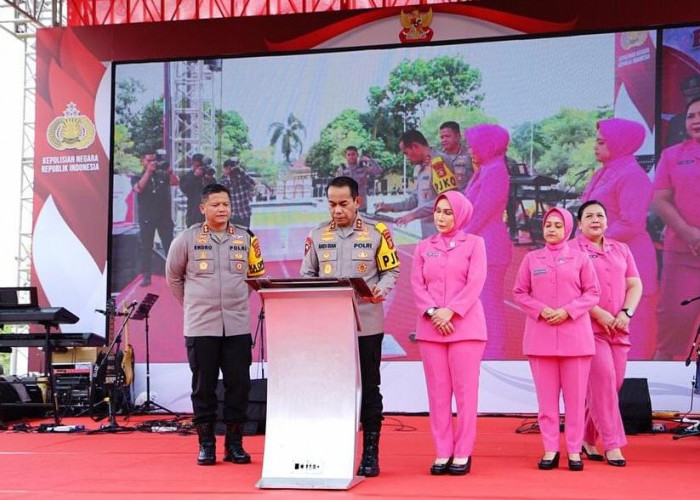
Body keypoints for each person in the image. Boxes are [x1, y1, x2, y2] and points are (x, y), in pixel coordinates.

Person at [300, 176, 400, 477]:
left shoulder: (377, 233)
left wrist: (382, 288)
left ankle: (370, 453)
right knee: (330, 390)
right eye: (332, 204)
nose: (337, 210)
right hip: (329, 328)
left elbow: (390, 270)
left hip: (366, 325)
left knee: (369, 388)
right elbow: (306, 273)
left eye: (343, 204)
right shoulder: (317, 235)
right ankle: (332, 451)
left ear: (357, 202)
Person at [165, 183, 266, 466]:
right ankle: (206, 444)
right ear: (203, 208)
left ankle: (234, 444)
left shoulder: (246, 238)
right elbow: (174, 278)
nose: (222, 209)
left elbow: (256, 276)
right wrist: (193, 305)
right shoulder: (186, 239)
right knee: (204, 388)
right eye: (215, 205)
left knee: (239, 386)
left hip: (236, 327)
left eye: (226, 204)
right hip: (201, 327)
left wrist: (234, 302)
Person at [513, 207, 600, 471]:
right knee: (547, 402)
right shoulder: (532, 259)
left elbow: (592, 293)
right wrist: (541, 309)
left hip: (575, 340)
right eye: (547, 225)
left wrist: (567, 311)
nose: (551, 229)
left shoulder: (580, 258)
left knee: (575, 402)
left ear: (568, 229)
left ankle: (574, 451)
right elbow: (519, 292)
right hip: (541, 339)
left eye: (557, 225)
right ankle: (550, 449)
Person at [410, 190, 487, 476]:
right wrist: (433, 313)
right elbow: (417, 285)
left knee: (466, 394)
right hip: (431, 330)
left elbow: (475, 282)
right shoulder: (423, 247)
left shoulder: (475, 244)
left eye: (448, 212)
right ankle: (443, 451)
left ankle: (463, 452)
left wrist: (450, 311)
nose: (441, 217)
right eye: (438, 211)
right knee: (438, 395)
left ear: (461, 214)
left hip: (466, 329)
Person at [570, 200, 642, 467]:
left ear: (607, 221)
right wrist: (600, 314)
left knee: (613, 385)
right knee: (605, 381)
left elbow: (634, 284)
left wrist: (625, 314)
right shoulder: (572, 251)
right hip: (589, 330)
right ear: (579, 224)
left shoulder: (621, 249)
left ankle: (588, 438)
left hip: (619, 329)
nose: (595, 220)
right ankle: (613, 444)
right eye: (589, 216)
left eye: (600, 215)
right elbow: (572, 291)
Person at [580, 118, 657, 359]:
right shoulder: (604, 173)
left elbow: (631, 223)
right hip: (604, 260)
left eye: (602, 142)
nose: (595, 146)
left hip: (631, 260)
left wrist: (590, 241)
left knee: (633, 328)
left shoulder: (632, 175)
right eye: (596, 141)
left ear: (619, 143)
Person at [653, 96, 700, 360]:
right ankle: (657, 391)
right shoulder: (673, 155)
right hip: (682, 255)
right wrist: (689, 232)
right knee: (673, 324)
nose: (696, 120)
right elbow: (660, 199)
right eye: (691, 115)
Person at [462, 124, 512, 358]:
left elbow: (482, 211)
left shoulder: (495, 171)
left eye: (475, 144)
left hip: (489, 246)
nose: (470, 149)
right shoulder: (485, 169)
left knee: (489, 305)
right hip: (481, 244)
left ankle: (494, 354)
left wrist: (460, 237)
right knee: (481, 305)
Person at [374, 129, 458, 237]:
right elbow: (415, 199)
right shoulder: (422, 167)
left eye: (406, 153)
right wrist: (390, 207)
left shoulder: (439, 162)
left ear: (415, 146)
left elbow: (447, 199)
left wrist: (413, 215)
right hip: (429, 234)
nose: (407, 158)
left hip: (443, 234)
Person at [131, 150, 179, 287]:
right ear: (142, 161)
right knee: (146, 247)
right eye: (149, 161)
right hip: (147, 217)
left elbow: (175, 183)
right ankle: (147, 276)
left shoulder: (162, 175)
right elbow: (138, 189)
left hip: (163, 216)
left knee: (169, 246)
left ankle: (174, 274)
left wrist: (169, 172)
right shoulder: (137, 177)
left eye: (154, 160)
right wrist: (148, 172)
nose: (153, 163)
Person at [335, 146, 382, 212]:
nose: (351, 156)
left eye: (353, 154)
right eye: (349, 155)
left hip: (361, 205)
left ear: (357, 155)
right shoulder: (342, 169)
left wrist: (369, 160)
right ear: (345, 156)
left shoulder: (363, 168)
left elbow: (378, 171)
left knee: (360, 222)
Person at [664, 75, 700, 148]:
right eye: (689, 95)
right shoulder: (676, 122)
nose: (693, 98)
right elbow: (670, 148)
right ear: (684, 97)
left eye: (697, 94)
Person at [180, 154, 214, 228]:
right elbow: (185, 189)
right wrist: (195, 176)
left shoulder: (207, 174)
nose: (200, 168)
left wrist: (209, 179)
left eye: (202, 166)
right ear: (192, 164)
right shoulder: (187, 176)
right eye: (197, 166)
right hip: (193, 214)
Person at [220, 157, 256, 228]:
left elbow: (252, 183)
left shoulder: (243, 179)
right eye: (228, 168)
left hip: (244, 214)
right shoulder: (225, 182)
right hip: (232, 215)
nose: (231, 170)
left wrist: (241, 172)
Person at [438, 121, 473, 190]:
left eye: (447, 136)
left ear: (458, 136)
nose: (444, 140)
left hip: (467, 198)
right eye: (442, 137)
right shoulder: (438, 159)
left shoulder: (471, 156)